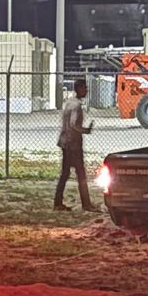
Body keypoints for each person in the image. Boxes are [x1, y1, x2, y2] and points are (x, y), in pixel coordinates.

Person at [54, 75, 95, 211]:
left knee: (65, 174)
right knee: (81, 174)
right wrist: (85, 130)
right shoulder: (77, 106)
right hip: (73, 144)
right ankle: (86, 204)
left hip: (65, 142)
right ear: (80, 89)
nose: (87, 91)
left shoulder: (69, 103)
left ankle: (58, 202)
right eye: (85, 88)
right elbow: (73, 124)